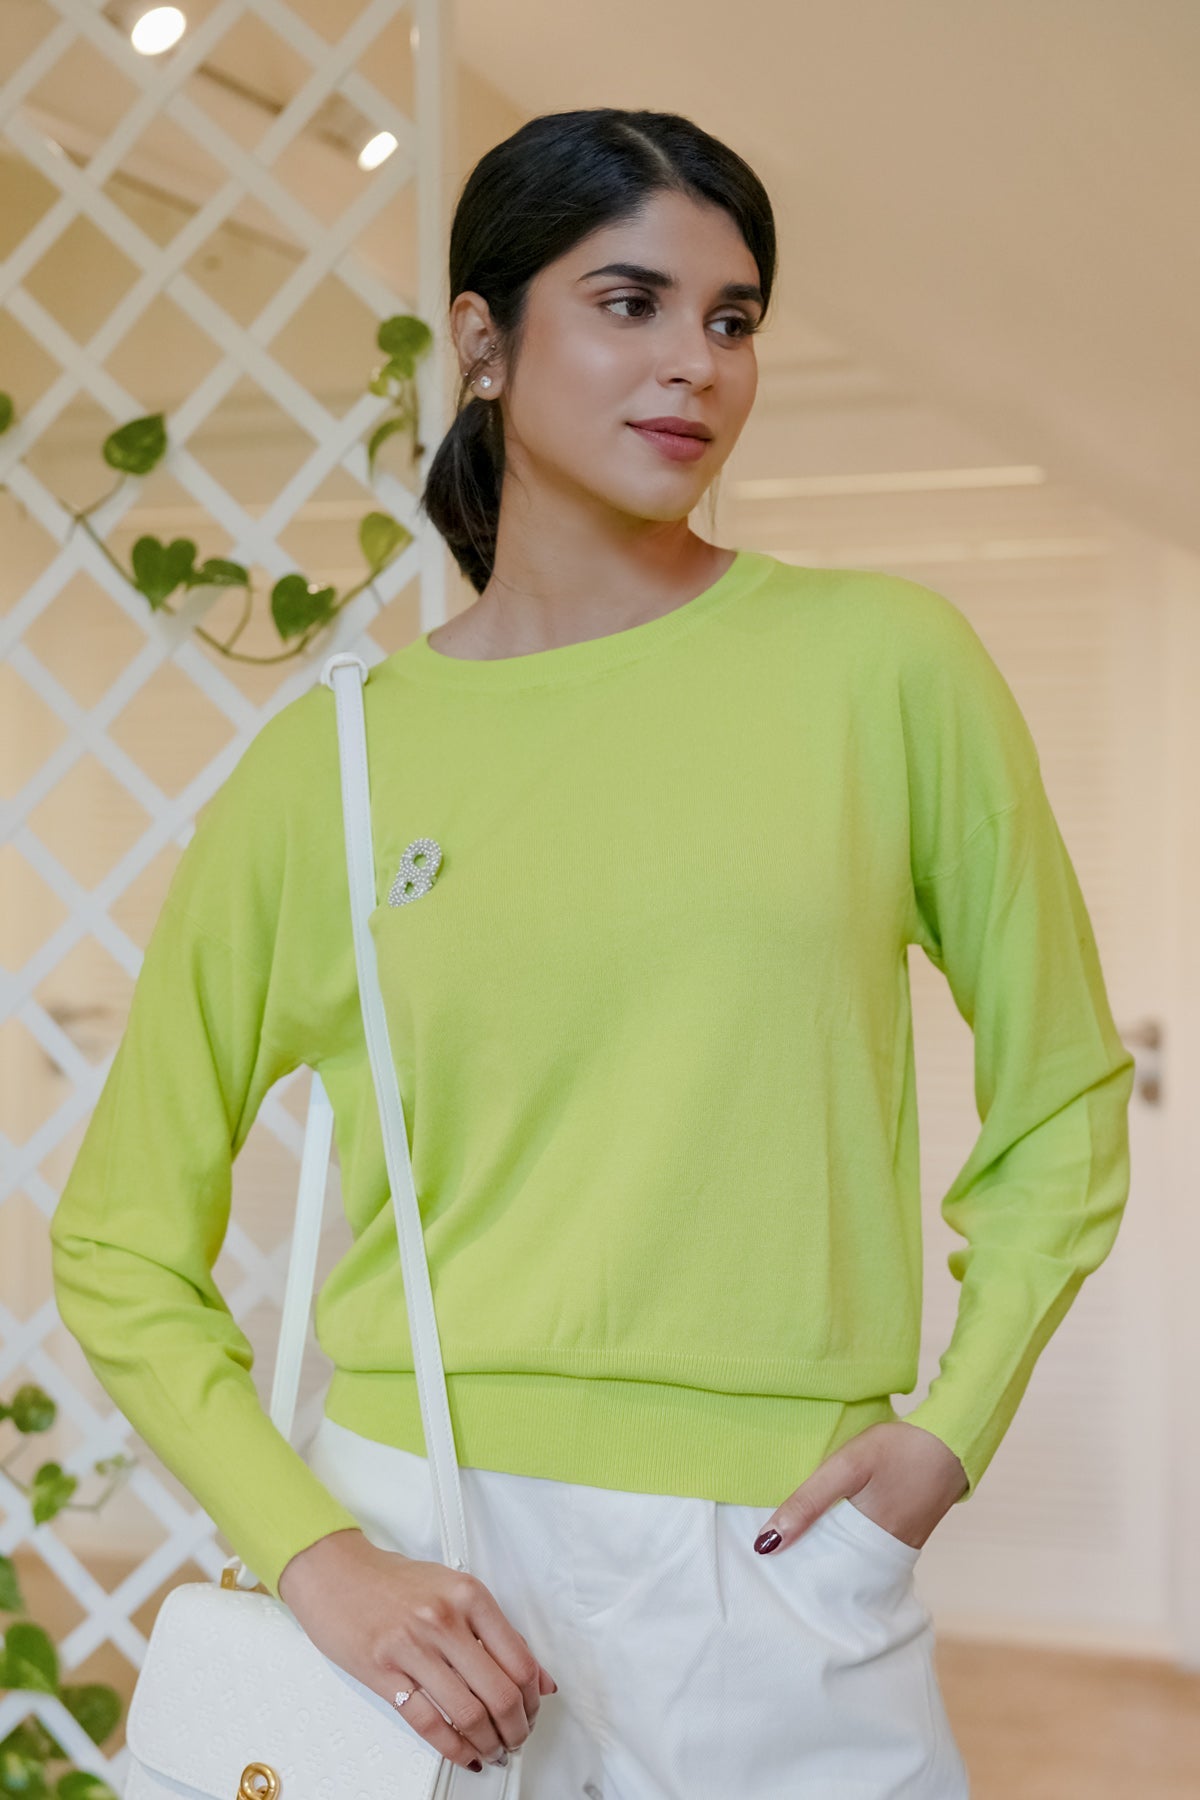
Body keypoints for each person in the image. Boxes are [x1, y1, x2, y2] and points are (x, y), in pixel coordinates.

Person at [50, 107, 1134, 1797]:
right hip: (419, 1563)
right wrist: (319, 1559)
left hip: (781, 1562)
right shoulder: (331, 764)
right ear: (483, 340)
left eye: (732, 317)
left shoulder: (886, 670)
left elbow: (1063, 1095)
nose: (695, 362)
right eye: (630, 302)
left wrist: (950, 1431)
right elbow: (119, 1241)